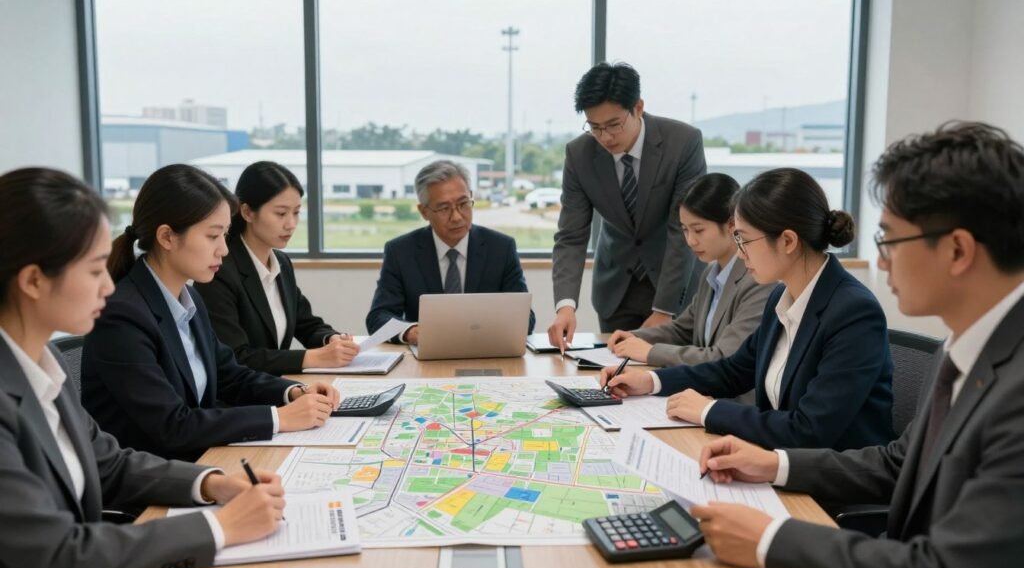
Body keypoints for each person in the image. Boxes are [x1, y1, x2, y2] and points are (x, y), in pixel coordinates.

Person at [688, 122, 1024, 568]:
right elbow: (896, 463)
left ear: (957, 250)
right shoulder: (968, 348)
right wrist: (773, 463)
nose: (881, 261)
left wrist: (771, 541)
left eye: (889, 240)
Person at [0, 167, 290, 568]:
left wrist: (212, 484)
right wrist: (220, 527)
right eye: (95, 269)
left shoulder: (45, 362)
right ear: (33, 280)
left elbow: (111, 465)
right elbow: (57, 558)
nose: (106, 286)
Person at [602, 168, 895, 450]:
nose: (740, 253)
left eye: (743, 239)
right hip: (777, 460)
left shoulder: (853, 312)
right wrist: (651, 381)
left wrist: (709, 410)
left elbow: (810, 430)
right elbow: (733, 371)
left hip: (827, 487)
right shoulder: (782, 296)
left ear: (788, 241)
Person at [82, 164, 340, 462]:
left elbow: (229, 374)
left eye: (225, 235)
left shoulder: (188, 297)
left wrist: (293, 391)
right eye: (212, 236)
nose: (224, 250)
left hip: (202, 459)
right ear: (167, 237)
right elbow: (174, 426)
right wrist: (279, 418)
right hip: (154, 482)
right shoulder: (122, 316)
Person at [547, 61, 706, 347]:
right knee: (614, 379)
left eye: (613, 125)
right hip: (616, 290)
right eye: (594, 127)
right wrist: (565, 306)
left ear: (638, 108)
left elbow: (681, 231)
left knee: (672, 379)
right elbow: (571, 236)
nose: (605, 137)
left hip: (675, 290)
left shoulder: (682, 143)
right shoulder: (579, 154)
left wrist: (664, 309)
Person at [194, 161, 359, 374]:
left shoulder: (281, 262)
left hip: (275, 388)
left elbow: (306, 324)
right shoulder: (219, 270)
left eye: (297, 212)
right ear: (247, 212)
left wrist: (331, 339)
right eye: (281, 214)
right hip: (240, 399)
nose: (291, 224)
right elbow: (236, 356)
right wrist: (314, 357)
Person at [607, 173, 774, 369]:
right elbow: (682, 330)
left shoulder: (758, 280)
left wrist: (649, 352)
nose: (690, 241)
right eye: (685, 229)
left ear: (731, 225)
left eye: (698, 230)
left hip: (732, 397)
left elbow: (725, 356)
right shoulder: (711, 272)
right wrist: (634, 337)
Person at [366, 160, 535, 344]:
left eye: (463, 204)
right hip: (426, 357)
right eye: (444, 208)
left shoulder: (501, 249)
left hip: (486, 352)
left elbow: (526, 319)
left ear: (471, 197)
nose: (456, 217)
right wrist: (410, 331)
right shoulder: (401, 252)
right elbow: (378, 317)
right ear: (424, 211)